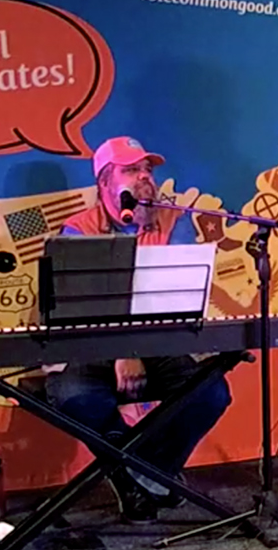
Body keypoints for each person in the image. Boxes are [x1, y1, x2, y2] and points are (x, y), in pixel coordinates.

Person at [45, 136, 233, 523]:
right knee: (73, 397)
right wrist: (123, 351)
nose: (146, 178)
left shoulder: (175, 222)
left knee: (211, 391)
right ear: (104, 183)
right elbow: (83, 314)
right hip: (95, 348)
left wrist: (136, 348)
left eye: (149, 169)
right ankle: (151, 475)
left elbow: (174, 302)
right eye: (133, 170)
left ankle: (137, 474)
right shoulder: (76, 231)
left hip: (160, 342)